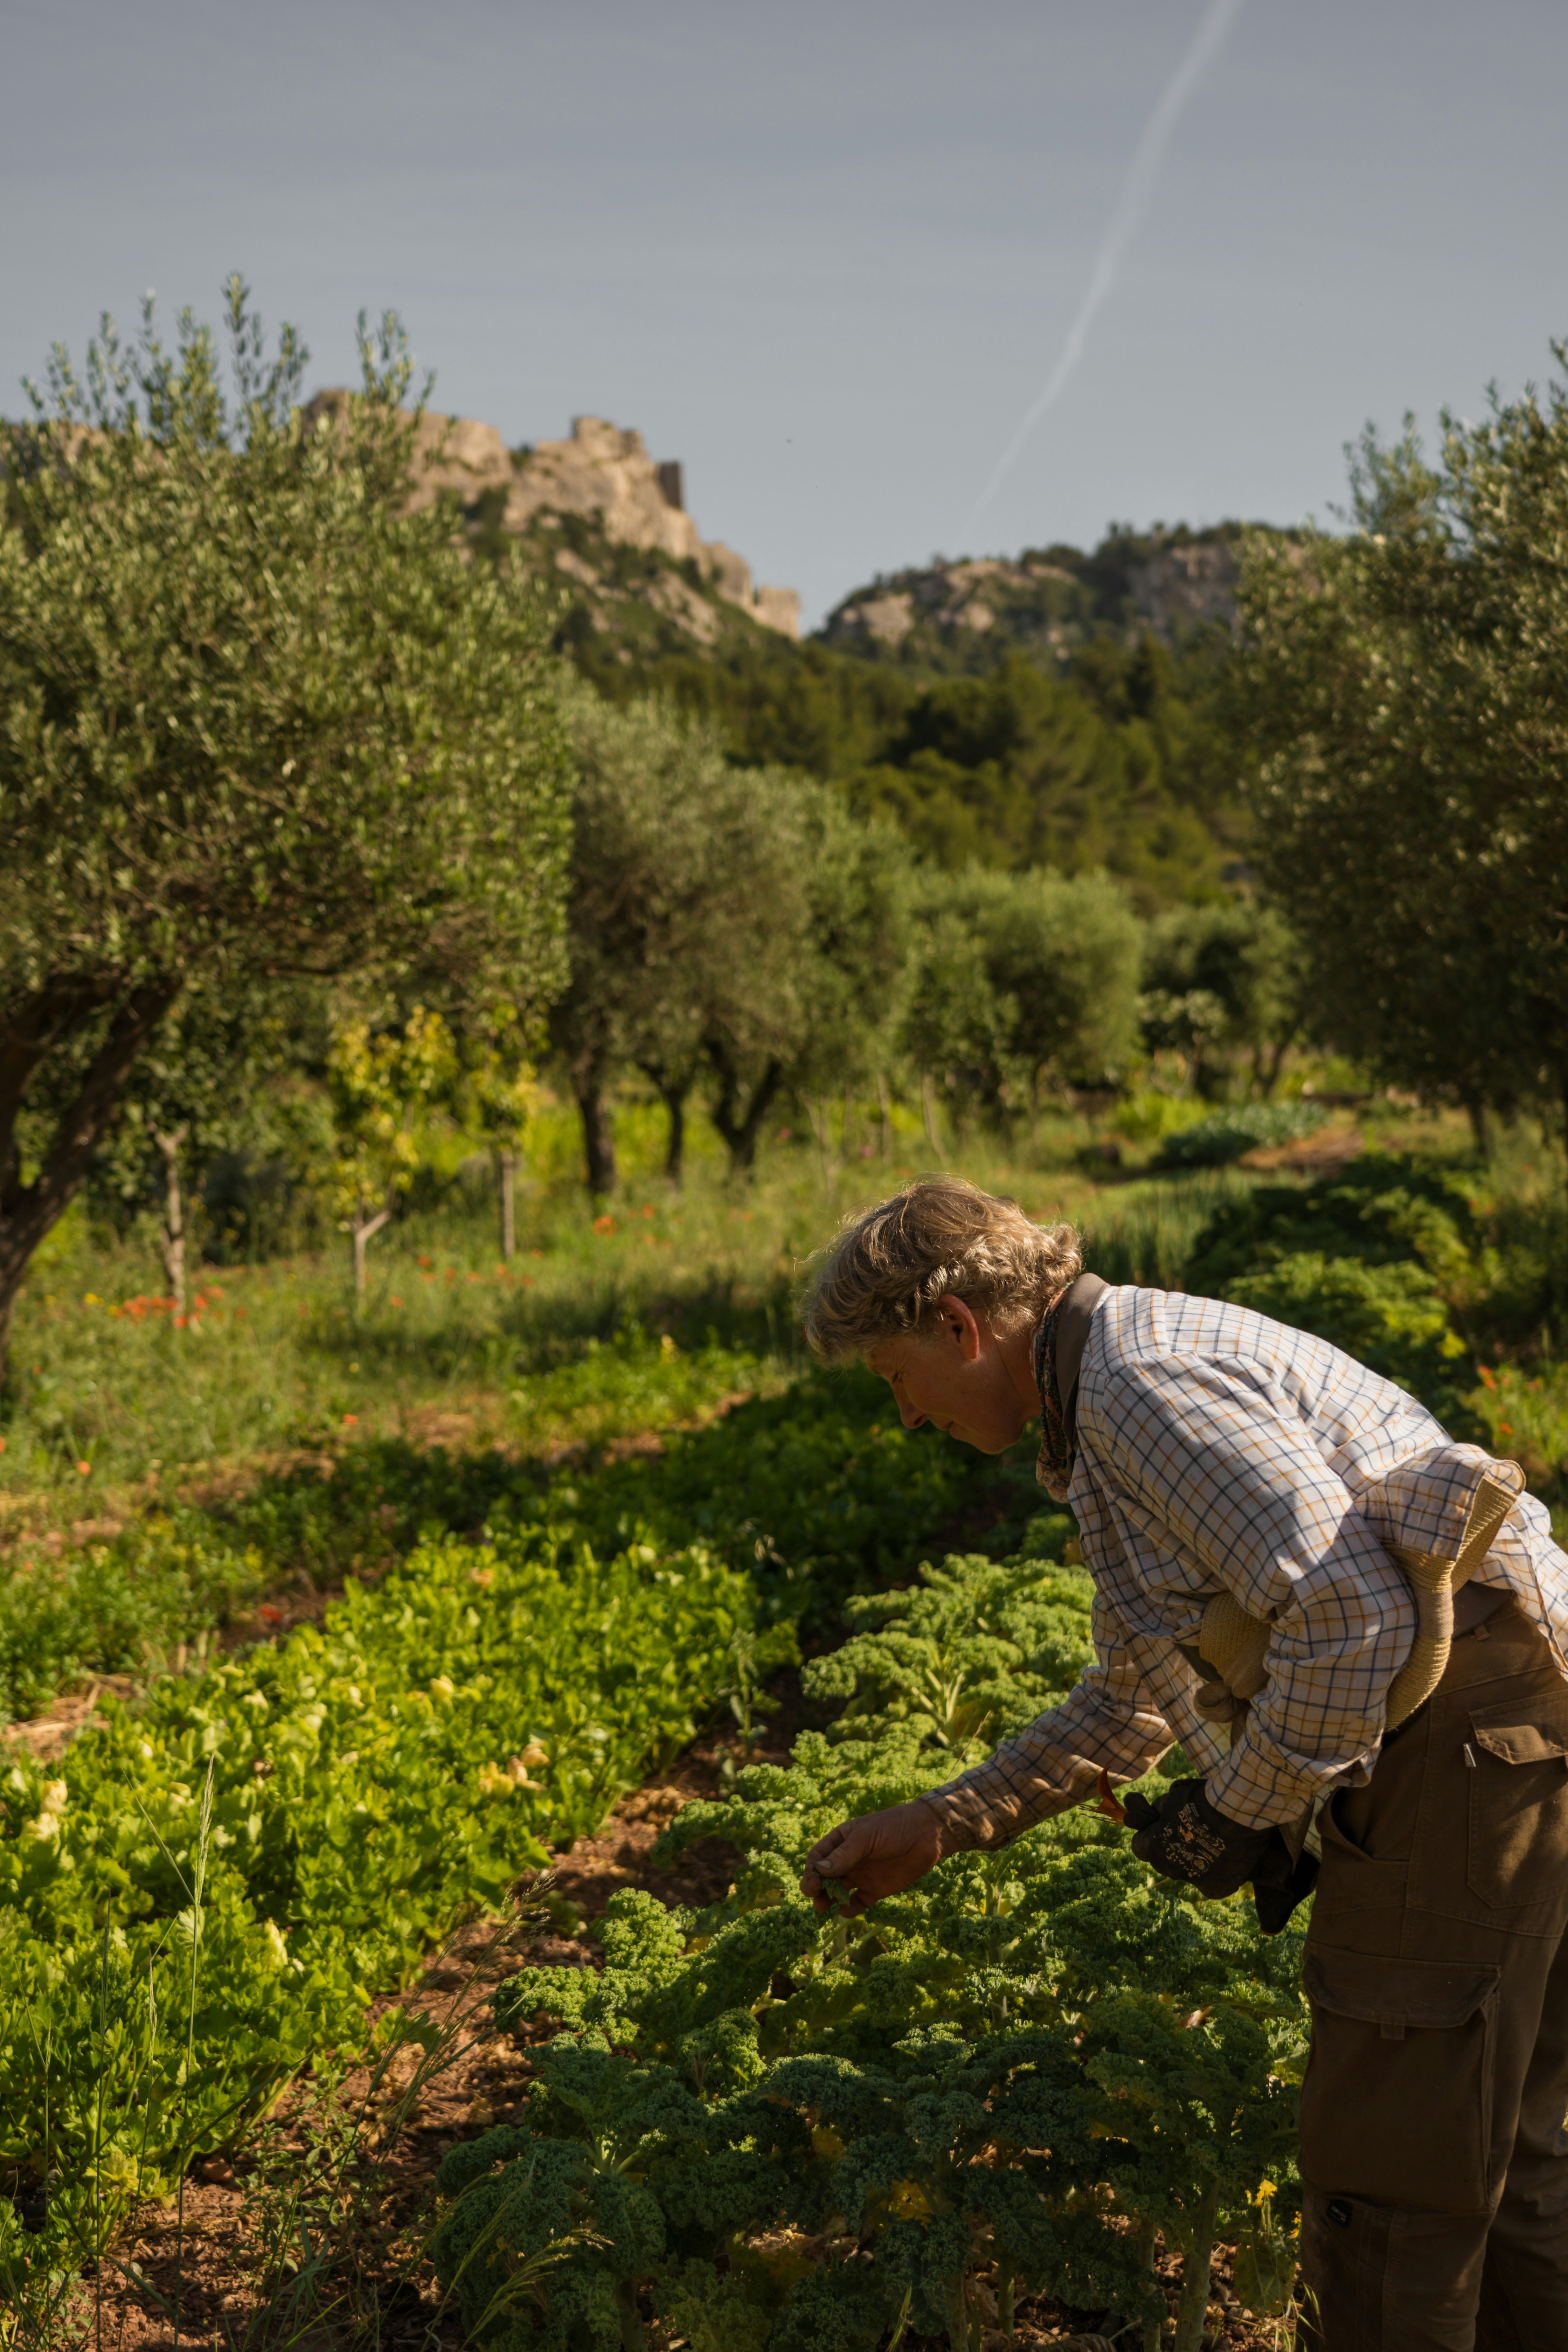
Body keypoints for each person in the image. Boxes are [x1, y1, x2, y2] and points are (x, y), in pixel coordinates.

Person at [796, 1176, 1568, 2352]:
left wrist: (1244, 1809)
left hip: (1466, 1756)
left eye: (896, 1377)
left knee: (1392, 2194)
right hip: (1514, 1741)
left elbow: (1356, 1620)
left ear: (958, 1327)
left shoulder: (1138, 1389)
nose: (906, 1414)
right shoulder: (1113, 1392)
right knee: (1510, 2163)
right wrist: (949, 1820)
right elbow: (1131, 1699)